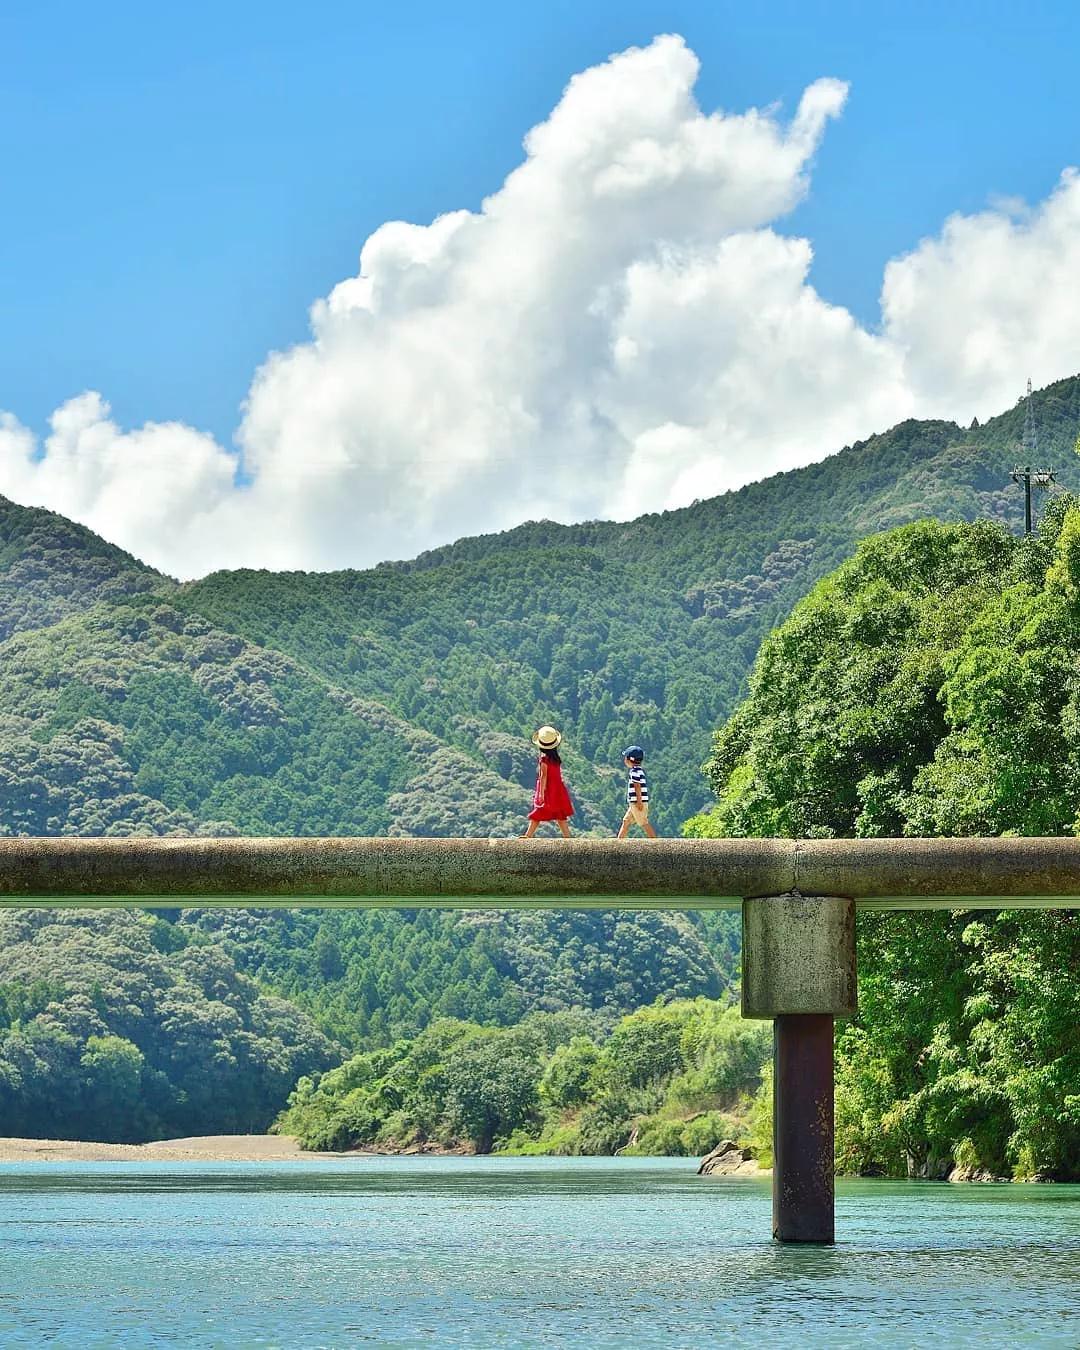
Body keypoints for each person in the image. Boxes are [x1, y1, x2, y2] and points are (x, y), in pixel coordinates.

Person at [522, 726, 574, 838]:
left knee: (539, 811)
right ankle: (567, 837)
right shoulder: (555, 758)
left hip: (548, 789)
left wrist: (541, 793)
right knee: (560, 814)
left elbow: (543, 776)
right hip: (558, 788)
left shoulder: (544, 759)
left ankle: (528, 835)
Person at [617, 744, 657, 839]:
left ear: (630, 759)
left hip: (637, 802)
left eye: (625, 758)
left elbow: (637, 786)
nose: (624, 760)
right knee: (626, 821)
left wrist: (639, 802)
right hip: (634, 803)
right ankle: (617, 843)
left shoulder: (634, 772)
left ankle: (656, 842)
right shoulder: (639, 770)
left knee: (643, 822)